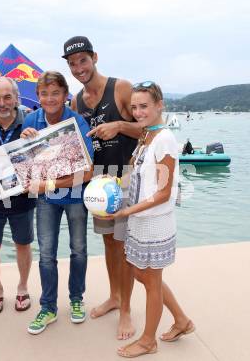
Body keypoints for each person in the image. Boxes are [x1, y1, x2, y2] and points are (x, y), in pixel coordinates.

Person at [101, 81, 195, 358]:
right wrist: (114, 185)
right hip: (140, 217)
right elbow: (139, 175)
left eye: (144, 106)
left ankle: (147, 341)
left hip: (154, 220)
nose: (138, 112)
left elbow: (165, 192)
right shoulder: (146, 136)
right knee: (142, 273)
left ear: (159, 105)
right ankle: (181, 320)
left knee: (151, 280)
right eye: (134, 107)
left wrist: (126, 212)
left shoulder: (164, 138)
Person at [63, 35, 141, 339]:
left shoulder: (120, 87)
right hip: (97, 182)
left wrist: (120, 125)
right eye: (72, 64)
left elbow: (148, 128)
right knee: (109, 243)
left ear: (94, 57)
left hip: (125, 176)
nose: (79, 68)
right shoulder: (76, 101)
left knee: (123, 245)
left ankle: (126, 312)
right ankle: (114, 296)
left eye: (83, 60)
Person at [20, 71, 94, 335]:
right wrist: (25, 139)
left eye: (55, 93)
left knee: (78, 249)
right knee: (47, 254)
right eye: (44, 93)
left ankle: (76, 299)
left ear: (65, 96)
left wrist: (48, 184)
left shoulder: (77, 122)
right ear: (38, 96)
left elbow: (87, 172)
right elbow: (23, 166)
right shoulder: (30, 119)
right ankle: (48, 307)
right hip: (45, 199)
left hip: (74, 195)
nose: (50, 98)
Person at [0, 77, 36, 313]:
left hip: (23, 198)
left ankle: (22, 288)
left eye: (7, 97)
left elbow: (43, 156)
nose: (2, 103)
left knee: (23, 244)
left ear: (16, 98)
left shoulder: (31, 122)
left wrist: (34, 138)